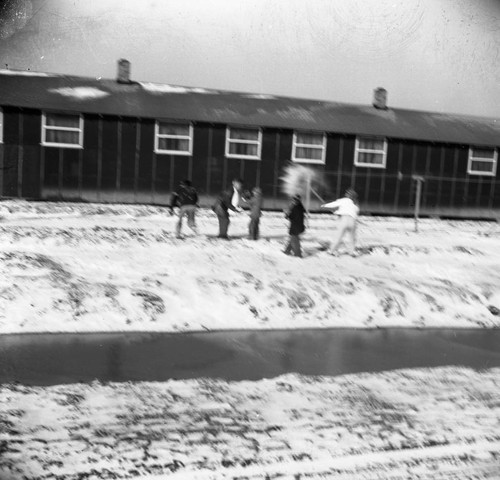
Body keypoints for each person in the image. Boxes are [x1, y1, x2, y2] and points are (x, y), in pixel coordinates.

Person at [321, 188, 360, 256]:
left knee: (338, 237)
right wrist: (337, 211)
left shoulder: (343, 200)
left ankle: (331, 251)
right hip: (352, 221)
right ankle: (352, 252)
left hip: (343, 220)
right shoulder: (356, 204)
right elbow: (354, 212)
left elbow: (334, 204)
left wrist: (324, 206)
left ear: (347, 195)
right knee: (352, 238)